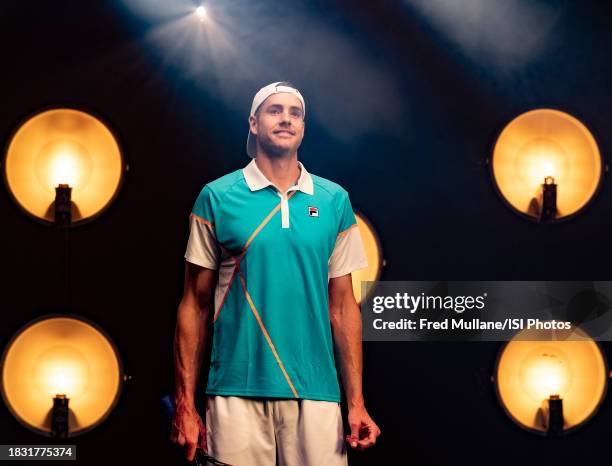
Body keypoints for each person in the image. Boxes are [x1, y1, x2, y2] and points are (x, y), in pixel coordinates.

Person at [172, 81, 381, 466]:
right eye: (274, 110)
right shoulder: (217, 196)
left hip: (317, 392)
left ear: (303, 127)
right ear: (253, 123)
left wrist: (356, 403)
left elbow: (343, 307)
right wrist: (185, 404)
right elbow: (194, 304)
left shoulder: (334, 200)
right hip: (235, 390)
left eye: (295, 112)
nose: (286, 118)